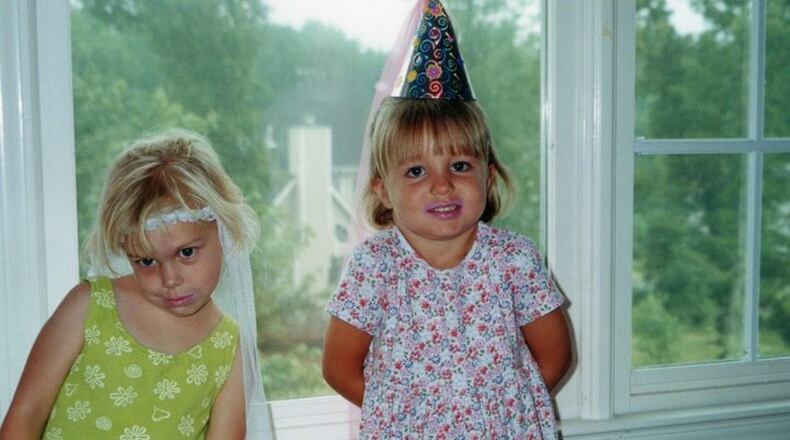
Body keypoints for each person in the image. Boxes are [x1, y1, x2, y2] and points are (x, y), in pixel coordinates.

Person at [322, 1, 572, 438]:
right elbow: (339, 366)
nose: (441, 186)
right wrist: (410, 413)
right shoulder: (374, 267)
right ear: (383, 189)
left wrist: (505, 409)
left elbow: (555, 355)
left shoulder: (514, 259)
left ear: (487, 177)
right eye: (416, 171)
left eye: (459, 166)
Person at [0, 129, 272, 439]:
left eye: (186, 253)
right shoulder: (89, 306)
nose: (170, 279)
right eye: (146, 261)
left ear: (223, 232)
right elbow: (25, 416)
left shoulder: (229, 347)